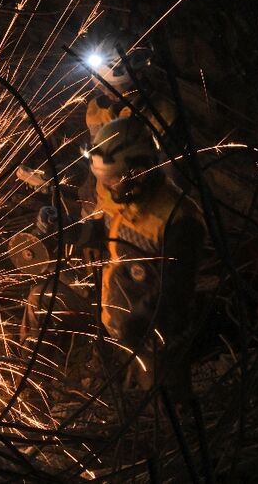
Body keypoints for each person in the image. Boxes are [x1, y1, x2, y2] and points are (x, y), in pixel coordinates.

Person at [87, 115, 205, 399]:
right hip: (115, 320)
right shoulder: (114, 191)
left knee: (160, 407)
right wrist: (90, 230)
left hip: (155, 340)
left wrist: (143, 317)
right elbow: (106, 212)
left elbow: (175, 289)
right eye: (104, 180)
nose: (109, 188)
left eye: (115, 180)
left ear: (140, 171)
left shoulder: (179, 219)